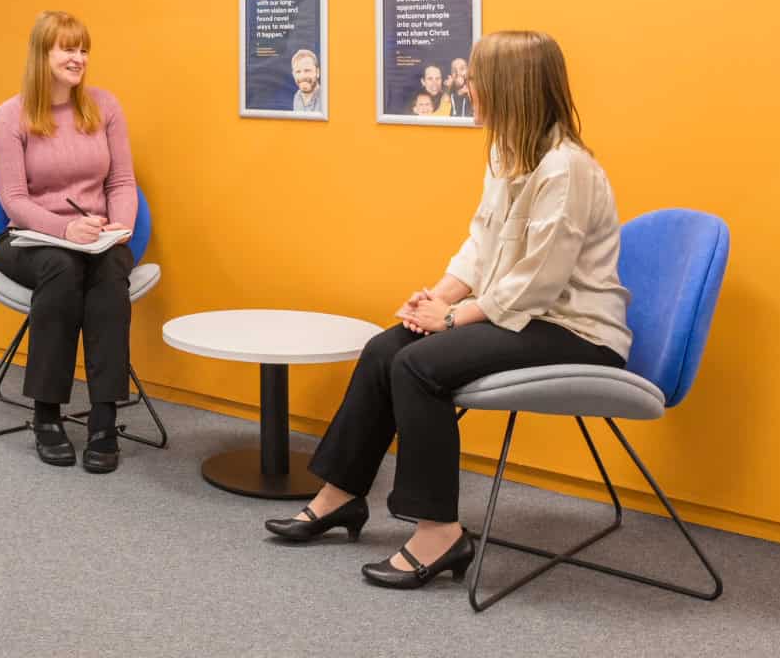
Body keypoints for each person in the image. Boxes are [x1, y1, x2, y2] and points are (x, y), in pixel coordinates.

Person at [265, 30, 632, 589]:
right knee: (387, 346)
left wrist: (452, 320)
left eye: (476, 79)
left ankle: (440, 532)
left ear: (511, 89)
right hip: (520, 316)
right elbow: (481, 245)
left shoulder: (567, 170)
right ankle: (339, 496)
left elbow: (538, 282)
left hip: (575, 331)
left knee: (419, 364)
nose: (467, 86)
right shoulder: (507, 153)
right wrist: (437, 298)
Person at [0, 10, 138, 474]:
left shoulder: (105, 107)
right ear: (42, 53)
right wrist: (63, 230)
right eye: (67, 49)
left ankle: (104, 419)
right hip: (29, 241)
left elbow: (122, 182)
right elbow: (13, 200)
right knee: (61, 267)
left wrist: (119, 226)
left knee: (111, 268)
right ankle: (47, 415)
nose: (78, 58)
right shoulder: (10, 115)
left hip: (93, 238)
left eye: (83, 49)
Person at [291, 49, 322, 113]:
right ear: (293, 74)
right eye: (298, 71)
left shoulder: (326, 98)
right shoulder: (297, 97)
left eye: (307, 70)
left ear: (318, 72)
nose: (302, 76)